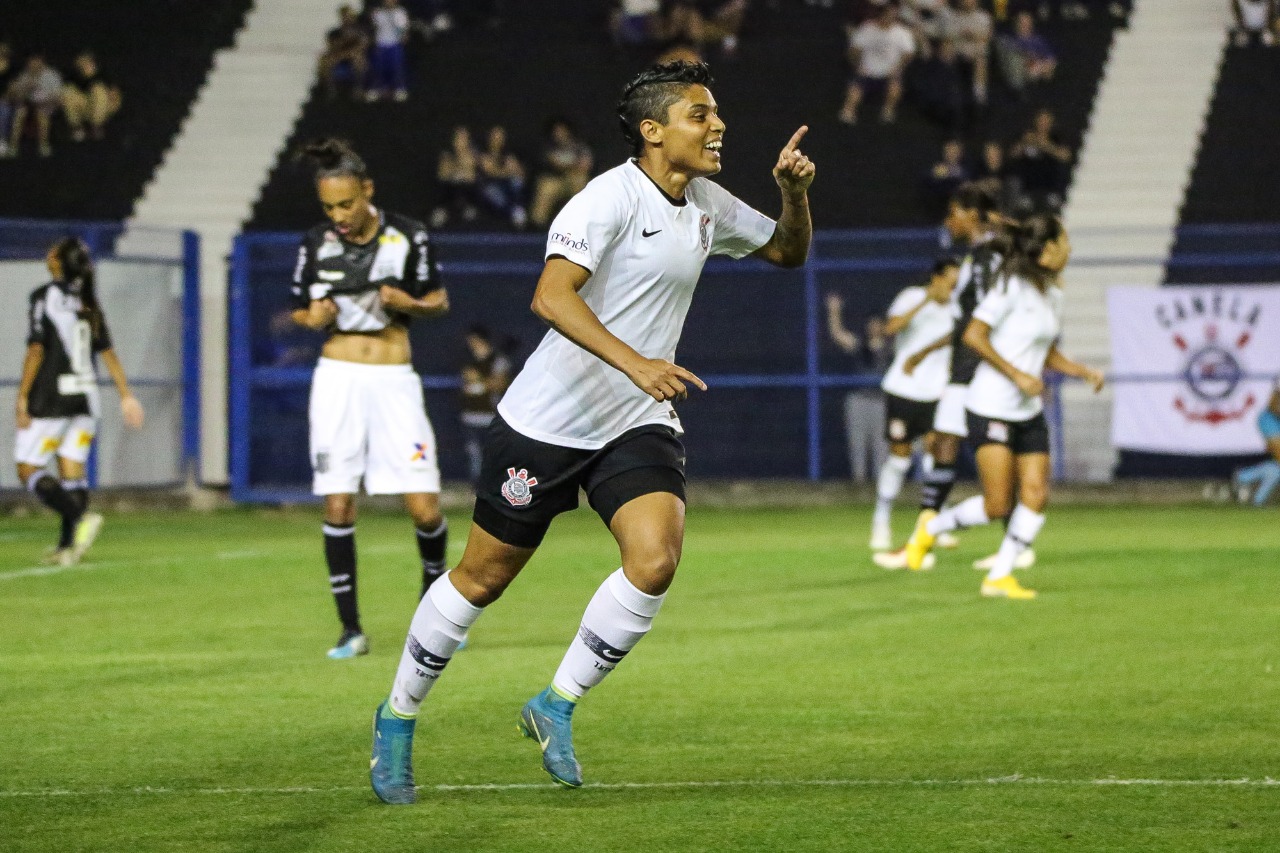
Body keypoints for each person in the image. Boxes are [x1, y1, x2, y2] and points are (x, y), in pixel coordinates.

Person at [368, 59, 815, 802]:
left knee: (655, 559)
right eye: (699, 114)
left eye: (715, 113)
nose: (718, 125)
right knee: (482, 577)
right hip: (547, 420)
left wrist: (793, 196)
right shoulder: (605, 199)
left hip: (634, 419)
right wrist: (637, 360)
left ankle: (555, 703)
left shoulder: (706, 201)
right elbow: (550, 295)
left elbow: (787, 252)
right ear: (653, 131)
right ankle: (397, 717)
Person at [289, 138, 451, 660]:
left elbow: (439, 299)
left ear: (367, 191)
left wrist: (408, 303)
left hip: (394, 378)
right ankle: (350, 630)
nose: (337, 216)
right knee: (337, 501)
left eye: (345, 204)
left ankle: (435, 619)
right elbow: (301, 309)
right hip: (337, 379)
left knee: (425, 508)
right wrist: (313, 318)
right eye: (328, 208)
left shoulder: (409, 235)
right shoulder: (316, 244)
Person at [904, 215, 1104, 597]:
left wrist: (1081, 371)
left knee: (1036, 494)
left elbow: (1043, 350)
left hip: (1026, 410)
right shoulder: (1009, 287)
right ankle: (931, 528)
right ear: (1046, 251)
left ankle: (999, 575)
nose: (1070, 249)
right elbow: (974, 335)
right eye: (1064, 240)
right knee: (998, 504)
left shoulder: (1053, 293)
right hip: (990, 405)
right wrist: (1017, 376)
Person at [877, 183, 1010, 570]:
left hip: (978, 372)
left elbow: (987, 319)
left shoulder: (987, 258)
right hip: (965, 371)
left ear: (971, 214)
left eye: (954, 212)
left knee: (990, 454)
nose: (948, 221)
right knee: (947, 447)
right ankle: (922, 544)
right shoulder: (977, 257)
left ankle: (1012, 541)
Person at [15, 238, 145, 566]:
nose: (48, 253)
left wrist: (22, 395)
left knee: (27, 468)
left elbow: (36, 348)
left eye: (52, 250)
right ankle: (67, 547)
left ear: (58, 261)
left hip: (53, 397)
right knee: (71, 471)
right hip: (86, 399)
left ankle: (81, 517)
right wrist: (126, 395)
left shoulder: (45, 297)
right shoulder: (89, 302)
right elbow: (108, 353)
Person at [869, 257, 958, 551]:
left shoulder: (958, 308)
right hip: (904, 390)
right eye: (949, 281)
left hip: (937, 394)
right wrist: (925, 302)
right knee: (900, 460)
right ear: (936, 278)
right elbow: (891, 328)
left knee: (936, 457)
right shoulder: (912, 296)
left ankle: (933, 523)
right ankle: (881, 520)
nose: (952, 288)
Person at [839, 3, 916, 125]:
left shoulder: (901, 32)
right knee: (856, 87)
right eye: (887, 14)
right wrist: (857, 65)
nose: (889, 18)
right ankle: (848, 110)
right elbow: (854, 50)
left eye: (893, 15)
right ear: (881, 14)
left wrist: (899, 67)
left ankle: (888, 110)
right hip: (867, 70)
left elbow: (909, 53)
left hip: (889, 72)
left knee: (896, 87)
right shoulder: (868, 28)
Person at [458, 325, 512, 483]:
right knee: (474, 453)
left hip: (490, 415)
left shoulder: (498, 359)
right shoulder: (468, 360)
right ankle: (477, 484)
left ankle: (496, 483)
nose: (471, 344)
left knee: (494, 452)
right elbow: (466, 383)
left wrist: (480, 381)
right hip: (470, 416)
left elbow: (501, 383)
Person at [529, 117, 593, 228]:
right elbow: (554, 163)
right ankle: (537, 226)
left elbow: (585, 165)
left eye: (562, 130)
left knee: (580, 181)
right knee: (546, 186)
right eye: (557, 131)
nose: (559, 133)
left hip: (574, 180)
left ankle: (582, 223)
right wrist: (572, 164)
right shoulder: (549, 147)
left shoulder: (579, 147)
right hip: (556, 180)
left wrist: (569, 166)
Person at [1231, 382, 1280, 507]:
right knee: (1276, 468)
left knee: (1274, 470)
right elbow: (1277, 450)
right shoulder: (1267, 419)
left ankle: (1244, 479)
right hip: (1269, 423)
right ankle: (1244, 479)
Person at [8, 54, 62, 158]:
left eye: (35, 61)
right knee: (20, 113)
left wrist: (43, 100)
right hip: (27, 104)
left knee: (41, 113)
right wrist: (24, 89)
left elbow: (58, 98)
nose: (33, 64)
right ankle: (13, 146)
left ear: (41, 62)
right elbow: (15, 97)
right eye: (31, 62)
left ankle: (43, 145)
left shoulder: (52, 75)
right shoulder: (24, 75)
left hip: (46, 104)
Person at [60, 52, 122, 142]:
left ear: (93, 62)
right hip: (83, 109)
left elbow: (115, 96)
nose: (84, 64)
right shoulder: (73, 76)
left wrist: (112, 96)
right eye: (81, 62)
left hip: (103, 109)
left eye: (87, 61)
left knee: (98, 89)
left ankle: (97, 127)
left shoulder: (105, 75)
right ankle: (77, 128)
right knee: (67, 90)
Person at [476, 124, 527, 229]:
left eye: (501, 137)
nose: (498, 140)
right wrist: (507, 171)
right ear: (490, 138)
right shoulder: (483, 154)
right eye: (495, 137)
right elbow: (491, 172)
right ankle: (512, 212)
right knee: (493, 193)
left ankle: (517, 211)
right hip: (489, 186)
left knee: (517, 181)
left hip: (507, 186)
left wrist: (511, 171)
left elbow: (520, 173)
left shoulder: (509, 155)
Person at [430, 124, 480, 228]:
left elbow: (471, 177)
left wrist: (458, 166)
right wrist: (456, 168)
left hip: (466, 193)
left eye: (464, 139)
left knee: (466, 185)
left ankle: (468, 210)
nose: (461, 142)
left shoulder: (472, 155)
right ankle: (442, 212)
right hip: (449, 193)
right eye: (458, 138)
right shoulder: (446, 155)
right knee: (448, 185)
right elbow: (442, 176)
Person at [995, 10, 1056, 96]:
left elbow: (1051, 59)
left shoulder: (1038, 40)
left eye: (1027, 22)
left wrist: (1042, 66)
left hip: (1038, 68)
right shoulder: (1010, 40)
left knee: (1047, 69)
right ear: (1016, 23)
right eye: (1022, 22)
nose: (1025, 25)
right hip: (1020, 69)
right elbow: (1002, 46)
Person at [318, 5, 370, 100]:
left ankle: (358, 88)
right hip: (339, 55)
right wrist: (344, 40)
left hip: (352, 55)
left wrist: (350, 51)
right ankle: (330, 89)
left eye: (349, 16)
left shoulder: (360, 31)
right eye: (345, 16)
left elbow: (363, 46)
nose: (347, 18)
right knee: (325, 61)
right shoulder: (335, 32)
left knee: (359, 60)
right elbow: (331, 46)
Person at [368, 0, 411, 102]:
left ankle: (400, 89)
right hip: (381, 44)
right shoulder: (377, 12)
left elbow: (404, 29)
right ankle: (378, 88)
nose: (388, 2)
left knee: (396, 67)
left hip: (394, 44)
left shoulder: (400, 12)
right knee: (379, 68)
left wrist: (403, 34)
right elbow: (374, 26)